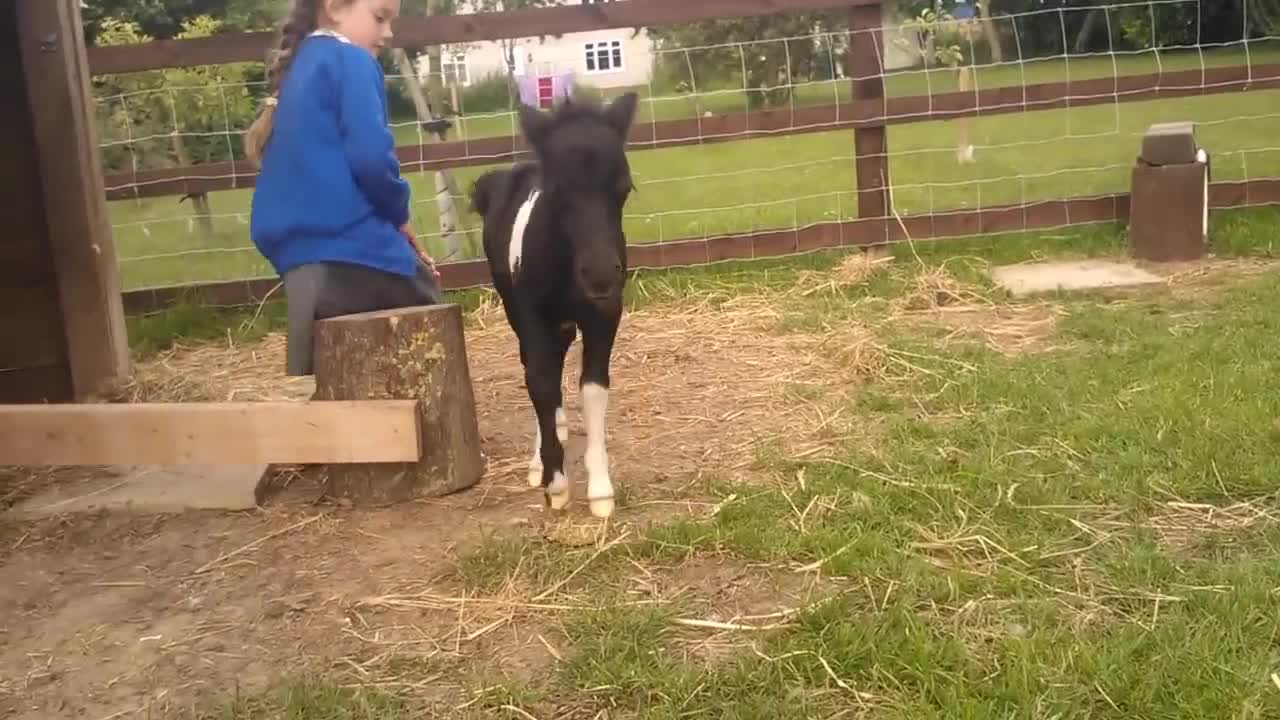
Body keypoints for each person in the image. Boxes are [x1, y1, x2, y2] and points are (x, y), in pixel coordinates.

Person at [245, 0, 443, 376]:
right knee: (426, 292)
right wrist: (399, 213)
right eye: (379, 18)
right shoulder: (351, 61)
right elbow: (372, 158)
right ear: (335, 8)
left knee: (327, 376)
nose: (388, 34)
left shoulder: (299, 66)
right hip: (350, 248)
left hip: (299, 262)